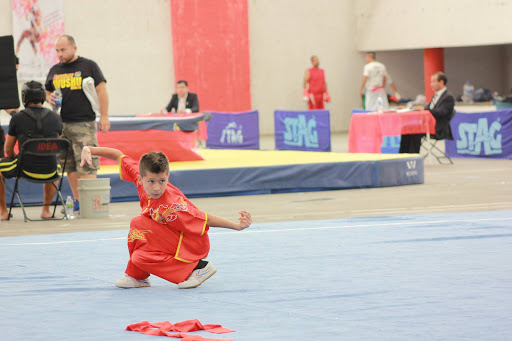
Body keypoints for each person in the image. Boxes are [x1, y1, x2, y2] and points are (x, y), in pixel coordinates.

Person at [80, 146, 252, 289]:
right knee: (139, 257)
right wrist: (89, 149)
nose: (156, 188)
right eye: (151, 181)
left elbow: (205, 218)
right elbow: (118, 155)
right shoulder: (139, 176)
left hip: (189, 243)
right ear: (140, 179)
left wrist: (236, 226)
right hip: (166, 236)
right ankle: (138, 276)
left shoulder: (171, 203)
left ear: (168, 176)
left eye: (162, 181)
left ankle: (198, 268)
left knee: (138, 223)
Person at [45, 35, 110, 213]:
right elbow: (48, 91)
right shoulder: (55, 70)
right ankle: (79, 202)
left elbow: (101, 90)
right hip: (61, 124)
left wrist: (104, 115)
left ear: (74, 48)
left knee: (87, 164)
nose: (60, 54)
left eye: (63, 50)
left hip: (83, 123)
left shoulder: (88, 66)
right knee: (70, 165)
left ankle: (92, 204)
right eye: (57, 51)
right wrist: (48, 97)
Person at [0, 81, 62, 220]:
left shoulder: (17, 118)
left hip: (25, 169)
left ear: (24, 97)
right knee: (55, 164)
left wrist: (17, 160)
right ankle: (46, 210)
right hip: (50, 170)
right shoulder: (56, 118)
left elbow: (8, 150)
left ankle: (3, 212)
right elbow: (57, 145)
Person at [399, 71, 455, 154]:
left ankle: (413, 157)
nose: (431, 84)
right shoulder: (436, 95)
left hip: (438, 127)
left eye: (433, 81)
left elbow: (441, 112)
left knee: (415, 131)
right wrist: (411, 108)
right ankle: (403, 155)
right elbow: (428, 108)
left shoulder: (448, 97)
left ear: (441, 82)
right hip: (428, 124)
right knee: (407, 128)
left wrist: (425, 110)